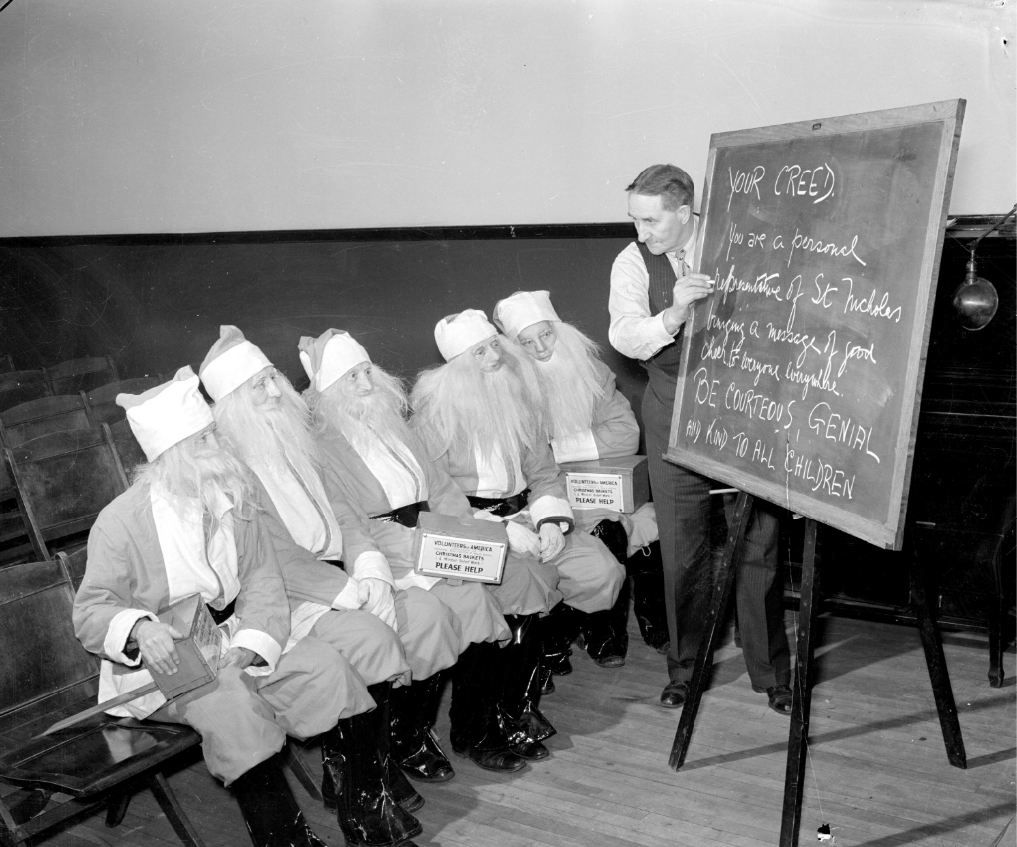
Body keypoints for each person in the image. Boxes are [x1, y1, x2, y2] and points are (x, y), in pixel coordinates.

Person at [73, 367, 420, 847]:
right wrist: (139, 629)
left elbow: (261, 578)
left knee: (325, 666)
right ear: (169, 457)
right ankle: (285, 841)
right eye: (203, 441)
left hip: (234, 637)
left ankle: (364, 809)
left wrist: (253, 643)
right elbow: (91, 611)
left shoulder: (234, 496)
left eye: (212, 433)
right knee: (231, 704)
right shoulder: (121, 522)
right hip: (168, 663)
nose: (217, 444)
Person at [200, 326, 463, 799]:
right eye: (257, 386)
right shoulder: (230, 468)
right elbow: (273, 557)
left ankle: (390, 748)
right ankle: (357, 767)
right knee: (372, 639)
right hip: (290, 594)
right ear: (232, 403)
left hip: (339, 574)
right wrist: (347, 591)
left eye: (273, 379)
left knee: (429, 615)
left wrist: (370, 569)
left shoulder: (295, 437)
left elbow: (344, 512)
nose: (275, 391)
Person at [301, 328, 562, 770]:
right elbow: (354, 526)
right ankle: (411, 735)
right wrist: (432, 550)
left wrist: (462, 539)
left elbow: (442, 493)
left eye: (367, 372)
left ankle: (479, 723)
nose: (366, 385)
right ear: (327, 393)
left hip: (436, 538)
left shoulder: (398, 426)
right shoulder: (321, 449)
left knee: (506, 584)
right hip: (393, 556)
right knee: (460, 607)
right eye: (351, 378)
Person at [607, 163, 792, 714]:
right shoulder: (631, 260)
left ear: (684, 211)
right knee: (682, 551)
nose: (642, 232)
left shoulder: (743, 241)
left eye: (651, 221)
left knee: (758, 544)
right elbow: (624, 335)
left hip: (744, 417)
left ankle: (771, 675)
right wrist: (674, 313)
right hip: (672, 414)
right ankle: (686, 672)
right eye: (635, 220)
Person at [410, 309, 626, 724]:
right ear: (456, 368)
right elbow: (439, 499)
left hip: (528, 514)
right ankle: (514, 703)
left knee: (602, 572)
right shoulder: (432, 420)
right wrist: (502, 531)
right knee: (530, 587)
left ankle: (544, 652)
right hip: (475, 528)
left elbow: (544, 473)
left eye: (495, 344)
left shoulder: (516, 399)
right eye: (480, 352)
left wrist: (550, 522)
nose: (494, 357)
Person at [493, 290, 669, 682]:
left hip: (597, 483)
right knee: (608, 531)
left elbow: (625, 433)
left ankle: (653, 621)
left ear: (561, 332)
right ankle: (602, 632)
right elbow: (523, 465)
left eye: (546, 336)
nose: (540, 349)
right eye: (526, 342)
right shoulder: (506, 390)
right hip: (546, 495)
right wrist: (556, 456)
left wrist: (552, 449)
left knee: (651, 523)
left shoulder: (591, 372)